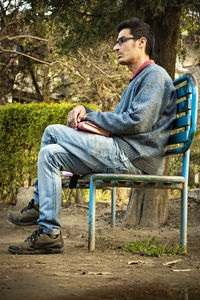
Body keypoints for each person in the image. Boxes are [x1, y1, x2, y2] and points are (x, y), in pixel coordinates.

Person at [8, 18, 177, 254]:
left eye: (121, 41)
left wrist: (90, 114)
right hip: (123, 150)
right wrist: (87, 117)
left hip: (134, 157)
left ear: (141, 42)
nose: (115, 47)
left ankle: (38, 205)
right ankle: (50, 233)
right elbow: (117, 124)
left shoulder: (155, 76)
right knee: (50, 154)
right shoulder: (138, 80)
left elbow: (137, 123)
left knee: (52, 131)